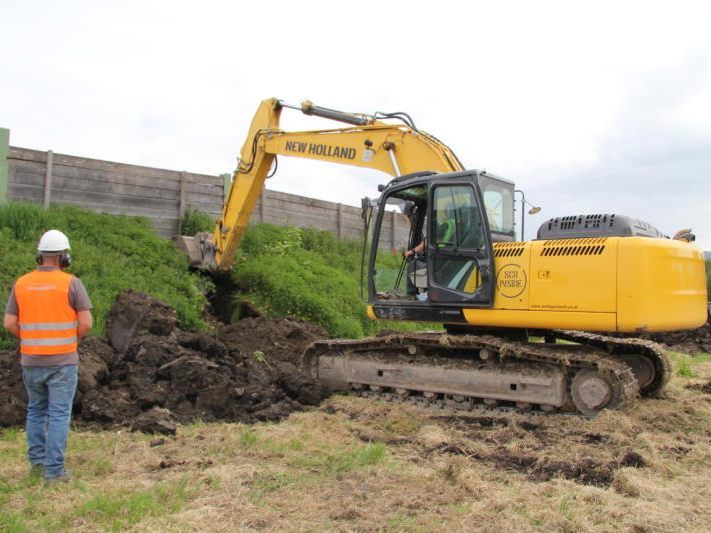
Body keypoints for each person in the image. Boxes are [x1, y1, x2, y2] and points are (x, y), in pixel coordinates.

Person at [2, 229, 93, 483]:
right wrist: (70, 337)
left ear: (39, 256)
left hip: (31, 360)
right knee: (59, 414)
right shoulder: (71, 283)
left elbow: (9, 322)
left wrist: (31, 337)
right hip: (62, 361)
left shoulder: (22, 283)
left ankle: (38, 465)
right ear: (64, 257)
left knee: (36, 410)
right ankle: (54, 472)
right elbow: (85, 322)